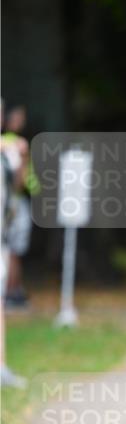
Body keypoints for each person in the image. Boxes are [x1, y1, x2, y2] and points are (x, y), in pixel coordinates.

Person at [1, 104, 38, 312]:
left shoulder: (16, 144)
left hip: (18, 201)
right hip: (12, 203)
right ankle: (10, 291)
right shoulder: (12, 144)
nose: (20, 121)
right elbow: (20, 182)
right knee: (12, 249)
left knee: (15, 249)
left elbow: (32, 182)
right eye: (17, 117)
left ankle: (13, 289)